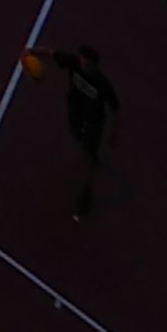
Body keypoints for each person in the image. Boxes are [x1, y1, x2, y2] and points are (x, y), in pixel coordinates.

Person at [21, 32, 119, 221]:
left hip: (94, 120)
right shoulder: (73, 62)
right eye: (81, 60)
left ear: (93, 65)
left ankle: (87, 190)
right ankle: (88, 154)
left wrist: (114, 132)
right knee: (77, 136)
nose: (82, 63)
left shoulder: (102, 83)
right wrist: (31, 51)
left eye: (86, 62)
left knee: (89, 154)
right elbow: (51, 52)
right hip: (75, 112)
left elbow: (115, 108)